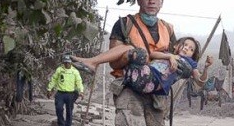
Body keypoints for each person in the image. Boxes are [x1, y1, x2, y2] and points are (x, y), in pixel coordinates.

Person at [71, 37, 213, 96]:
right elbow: (153, 54)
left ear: (193, 55)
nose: (187, 48)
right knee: (130, 50)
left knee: (137, 52)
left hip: (151, 82)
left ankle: (93, 62)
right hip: (142, 75)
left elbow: (200, 81)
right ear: (177, 46)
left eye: (191, 49)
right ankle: (93, 62)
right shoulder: (169, 55)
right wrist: (170, 56)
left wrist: (206, 67)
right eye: (185, 45)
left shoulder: (190, 64)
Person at [47, 54, 84, 126]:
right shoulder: (59, 70)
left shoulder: (75, 72)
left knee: (69, 111)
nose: (66, 64)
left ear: (71, 63)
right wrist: (49, 89)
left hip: (70, 94)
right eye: (65, 63)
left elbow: (79, 82)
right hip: (60, 93)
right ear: (63, 63)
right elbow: (54, 79)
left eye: (68, 63)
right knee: (59, 108)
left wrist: (81, 91)